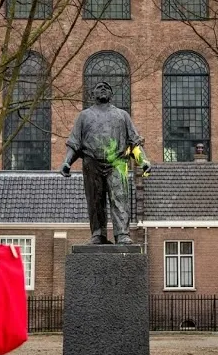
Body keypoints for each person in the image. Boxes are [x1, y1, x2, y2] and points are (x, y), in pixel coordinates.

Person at [60, 81, 151, 245]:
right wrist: (67, 162)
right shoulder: (84, 116)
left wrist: (142, 160)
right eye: (98, 87)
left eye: (107, 88)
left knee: (120, 197)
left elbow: (134, 142)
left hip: (117, 162)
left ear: (111, 95)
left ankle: (122, 234)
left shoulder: (122, 115)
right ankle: (98, 234)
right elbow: (74, 143)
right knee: (95, 200)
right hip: (91, 163)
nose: (103, 89)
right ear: (92, 94)